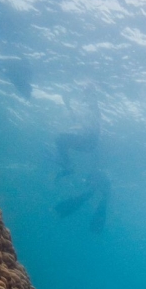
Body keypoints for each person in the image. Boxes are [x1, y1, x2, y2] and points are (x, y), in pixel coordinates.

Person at [54, 84, 110, 231]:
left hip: (89, 139)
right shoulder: (89, 112)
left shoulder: (92, 109)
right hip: (89, 141)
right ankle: (68, 166)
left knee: (60, 139)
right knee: (60, 139)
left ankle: (68, 166)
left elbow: (91, 121)